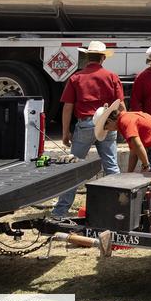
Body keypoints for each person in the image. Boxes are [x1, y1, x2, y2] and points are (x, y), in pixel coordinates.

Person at [52, 40, 124, 219]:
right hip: (108, 123)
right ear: (102, 58)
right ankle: (121, 207)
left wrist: (65, 132)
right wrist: (122, 125)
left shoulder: (76, 78)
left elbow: (68, 107)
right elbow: (121, 105)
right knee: (111, 166)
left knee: (73, 168)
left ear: (87, 57)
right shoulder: (112, 76)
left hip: (85, 124)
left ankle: (61, 210)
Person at [95, 101, 151, 173]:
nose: (109, 130)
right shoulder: (125, 119)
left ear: (109, 121)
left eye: (107, 128)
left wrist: (146, 165)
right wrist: (129, 174)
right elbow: (134, 151)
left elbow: (137, 144)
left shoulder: (124, 121)